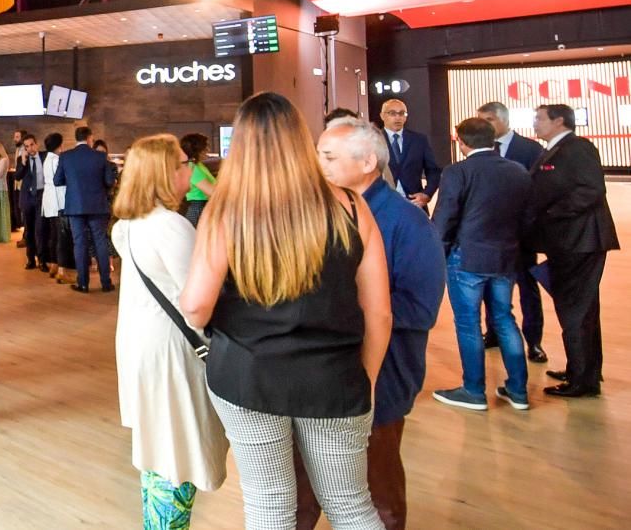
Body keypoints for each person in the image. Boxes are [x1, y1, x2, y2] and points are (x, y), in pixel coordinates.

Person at [181, 92, 392, 530]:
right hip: (334, 376)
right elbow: (380, 313)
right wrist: (365, 378)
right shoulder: (351, 206)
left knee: (269, 503)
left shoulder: (225, 212)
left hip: (247, 375)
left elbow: (197, 306)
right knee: (351, 505)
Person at [312, 117, 445, 530]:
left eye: (329, 157)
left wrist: (342, 309)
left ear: (368, 161)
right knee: (306, 488)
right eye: (319, 156)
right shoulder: (324, 212)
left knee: (377, 489)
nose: (321, 165)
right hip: (319, 373)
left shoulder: (405, 221)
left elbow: (421, 307)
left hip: (381, 373)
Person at [113, 134, 228, 528]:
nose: (190, 169)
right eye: (182, 164)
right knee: (177, 451)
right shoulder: (170, 226)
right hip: (171, 351)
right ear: (164, 173)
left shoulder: (128, 224)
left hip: (140, 344)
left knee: (159, 446)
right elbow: (197, 300)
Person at [429, 117, 532, 413]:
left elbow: (445, 217)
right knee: (504, 319)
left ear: (461, 142)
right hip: (506, 256)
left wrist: (438, 254)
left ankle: (474, 390)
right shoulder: (517, 170)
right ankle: (518, 390)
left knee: (468, 323)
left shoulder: (457, 171)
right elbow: (527, 216)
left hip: (468, 258)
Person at [529, 103, 619, 398]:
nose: (535, 123)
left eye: (540, 118)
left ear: (559, 121)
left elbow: (591, 190)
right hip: (568, 242)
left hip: (580, 242)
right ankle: (582, 369)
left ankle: (582, 381)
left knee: (575, 310)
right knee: (579, 309)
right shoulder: (554, 149)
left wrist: (552, 213)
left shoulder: (577, 147)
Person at [477, 101, 548, 362]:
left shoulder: (530, 149)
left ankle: (534, 341)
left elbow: (538, 192)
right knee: (489, 288)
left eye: (488, 120)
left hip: (521, 236)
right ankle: (493, 332)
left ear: (503, 119)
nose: (484, 126)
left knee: (527, 288)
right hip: (489, 237)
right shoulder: (480, 150)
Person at [55, 126, 118, 293]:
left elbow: (57, 180)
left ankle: (83, 283)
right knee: (100, 242)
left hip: (75, 206)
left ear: (76, 138)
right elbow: (109, 182)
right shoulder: (100, 156)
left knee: (80, 243)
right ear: (90, 138)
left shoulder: (66, 157)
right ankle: (106, 282)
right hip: (98, 205)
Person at [379, 99, 440, 209]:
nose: (398, 117)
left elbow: (433, 170)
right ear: (382, 116)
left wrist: (427, 194)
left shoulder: (419, 140)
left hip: (414, 202)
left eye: (402, 113)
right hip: (383, 203)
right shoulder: (373, 140)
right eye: (392, 113)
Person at [13, 133, 44, 270]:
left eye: (32, 145)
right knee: (29, 231)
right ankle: (30, 259)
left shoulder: (44, 157)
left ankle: (42, 260)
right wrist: (24, 163)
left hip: (41, 196)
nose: (30, 148)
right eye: (26, 146)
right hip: (27, 198)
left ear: (36, 144)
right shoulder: (21, 159)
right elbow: (17, 176)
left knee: (40, 230)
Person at [40, 132, 67, 279]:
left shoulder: (46, 159)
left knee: (53, 235)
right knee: (60, 236)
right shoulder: (57, 160)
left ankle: (53, 264)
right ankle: (61, 269)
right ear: (59, 145)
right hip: (58, 201)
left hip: (49, 200)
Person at [178, 133, 215, 228]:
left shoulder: (198, 165)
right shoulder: (192, 167)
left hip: (203, 206)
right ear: (198, 150)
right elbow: (211, 192)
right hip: (198, 207)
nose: (208, 150)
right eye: (206, 148)